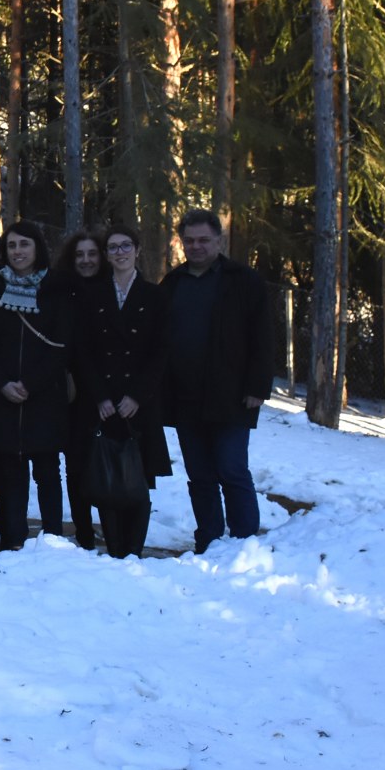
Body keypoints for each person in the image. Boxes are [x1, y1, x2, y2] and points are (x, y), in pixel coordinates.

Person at [159, 209, 273, 554]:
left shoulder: (244, 281)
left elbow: (264, 338)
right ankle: (208, 539)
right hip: (185, 396)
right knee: (200, 475)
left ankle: (243, 542)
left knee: (231, 468)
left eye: (203, 240)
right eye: (189, 240)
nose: (196, 246)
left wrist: (257, 387)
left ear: (219, 241)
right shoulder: (172, 283)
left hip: (232, 395)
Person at [73, 225, 173, 558]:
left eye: (125, 246)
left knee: (139, 477)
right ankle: (115, 548)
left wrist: (137, 396)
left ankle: (133, 550)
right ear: (106, 255)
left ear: (137, 250)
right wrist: (100, 396)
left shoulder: (156, 296)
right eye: (113, 248)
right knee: (107, 474)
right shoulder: (92, 297)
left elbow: (161, 351)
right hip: (103, 402)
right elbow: (83, 351)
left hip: (139, 402)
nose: (120, 253)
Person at [0, 219, 71, 551]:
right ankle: (13, 540)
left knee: (47, 473)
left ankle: (53, 540)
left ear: (37, 248)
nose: (18, 251)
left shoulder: (56, 290)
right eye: (12, 245)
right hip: (4, 399)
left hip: (43, 397)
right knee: (11, 476)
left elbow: (61, 345)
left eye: (24, 244)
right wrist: (2, 383)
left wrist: (30, 383)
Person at [48, 231, 105, 550]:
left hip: (108, 391)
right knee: (76, 465)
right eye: (79, 255)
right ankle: (83, 530)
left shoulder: (112, 290)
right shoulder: (61, 291)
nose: (85, 260)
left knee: (107, 461)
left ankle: (112, 525)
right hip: (72, 391)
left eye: (92, 254)